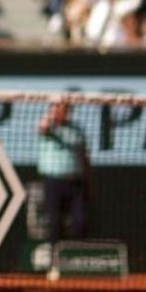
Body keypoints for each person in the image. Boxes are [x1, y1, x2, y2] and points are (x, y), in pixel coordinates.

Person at [37, 101, 90, 256]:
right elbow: (43, 128)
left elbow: (85, 156)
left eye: (65, 110)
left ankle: (75, 256)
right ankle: (55, 259)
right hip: (53, 182)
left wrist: (89, 181)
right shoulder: (48, 127)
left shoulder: (77, 130)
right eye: (58, 110)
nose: (62, 112)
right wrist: (52, 117)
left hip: (76, 182)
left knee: (81, 221)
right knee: (54, 222)